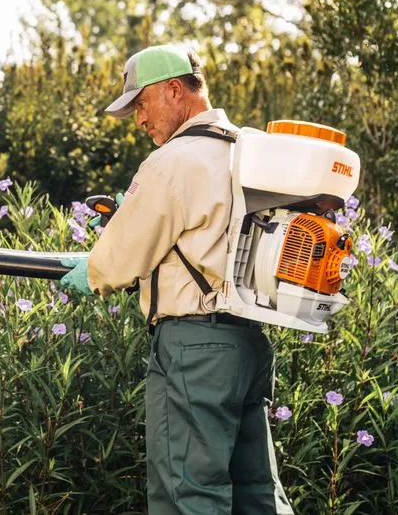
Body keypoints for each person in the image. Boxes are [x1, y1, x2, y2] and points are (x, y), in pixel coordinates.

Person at [59, 45, 293, 515]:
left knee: (188, 494)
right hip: (246, 344)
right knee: (256, 494)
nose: (140, 120)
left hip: (193, 350)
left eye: (141, 104)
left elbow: (117, 262)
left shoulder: (173, 161)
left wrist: (92, 271)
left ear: (173, 90)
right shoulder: (247, 151)